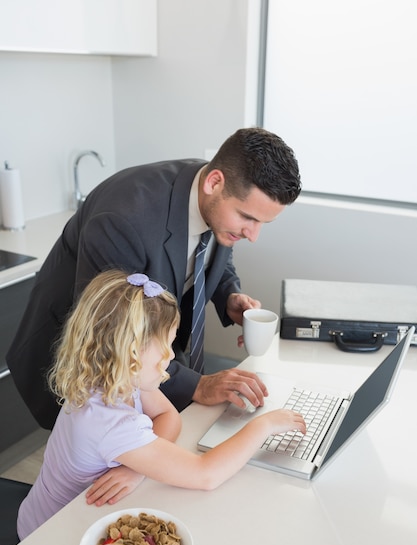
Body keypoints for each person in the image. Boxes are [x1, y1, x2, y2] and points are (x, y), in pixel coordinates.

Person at [7, 127, 301, 430]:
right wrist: (197, 385)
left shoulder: (210, 191)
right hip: (84, 368)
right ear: (214, 182)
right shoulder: (123, 219)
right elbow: (111, 334)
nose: (253, 235)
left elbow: (214, 247)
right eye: (248, 218)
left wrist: (228, 294)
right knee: (90, 467)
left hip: (149, 366)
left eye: (263, 222)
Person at [17, 270, 306, 540]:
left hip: (48, 513)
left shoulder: (114, 378)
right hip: (49, 534)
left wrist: (137, 468)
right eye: (165, 345)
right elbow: (206, 474)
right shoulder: (110, 421)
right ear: (129, 352)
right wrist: (263, 425)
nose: (170, 356)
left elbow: (169, 416)